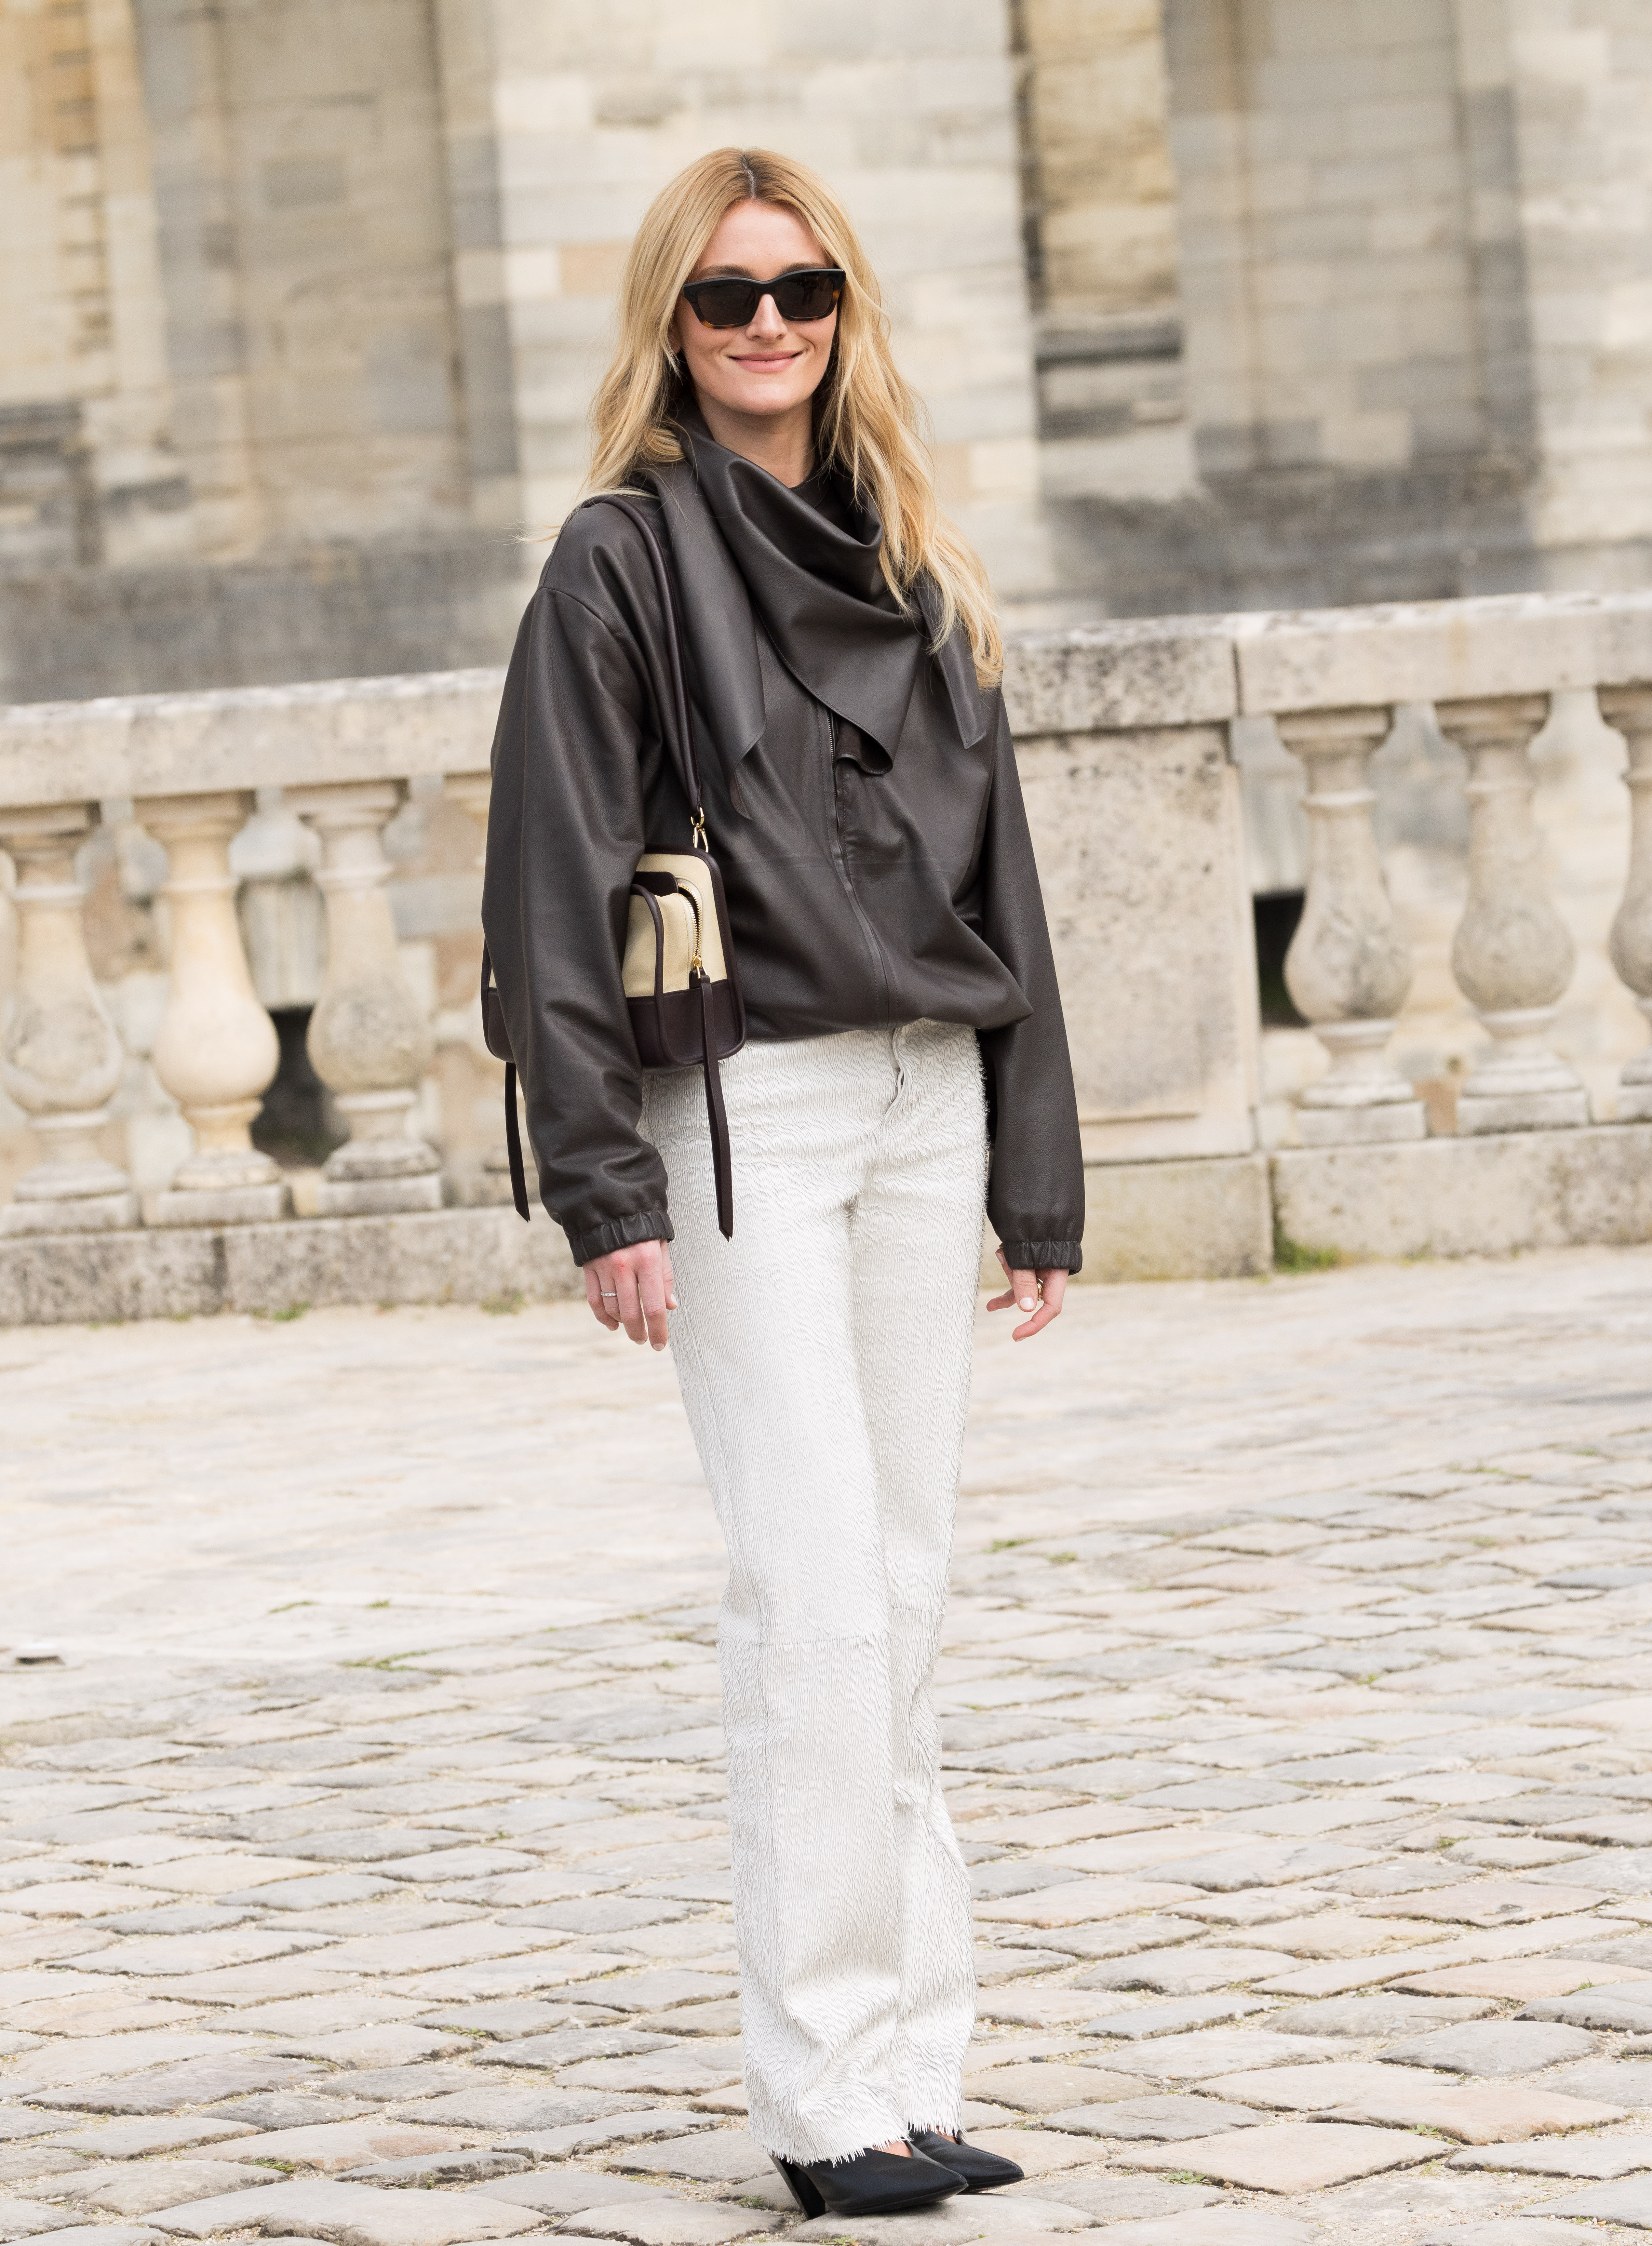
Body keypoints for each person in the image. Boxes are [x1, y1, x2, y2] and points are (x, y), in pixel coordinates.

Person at [482, 146, 1084, 2220]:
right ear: (672, 317)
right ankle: (824, 2098)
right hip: (738, 1112)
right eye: (726, 293)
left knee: (901, 1597)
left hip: (924, 1101)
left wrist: (1037, 1174)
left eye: (799, 287)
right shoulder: (619, 562)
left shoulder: (913, 552)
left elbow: (999, 880)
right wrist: (597, 1189)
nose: (764, 323)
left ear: (845, 308)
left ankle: (914, 2068)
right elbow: (550, 882)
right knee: (813, 1594)